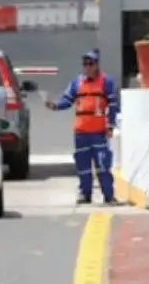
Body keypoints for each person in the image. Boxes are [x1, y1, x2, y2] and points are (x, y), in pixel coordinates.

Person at [46, 50, 119, 205]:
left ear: (96, 65)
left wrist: (111, 125)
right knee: (83, 165)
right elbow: (67, 100)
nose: (87, 67)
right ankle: (84, 194)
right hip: (80, 133)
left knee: (103, 164)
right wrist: (54, 106)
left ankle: (109, 195)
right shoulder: (76, 82)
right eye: (85, 64)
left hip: (98, 132)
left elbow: (112, 105)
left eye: (90, 63)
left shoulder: (106, 82)